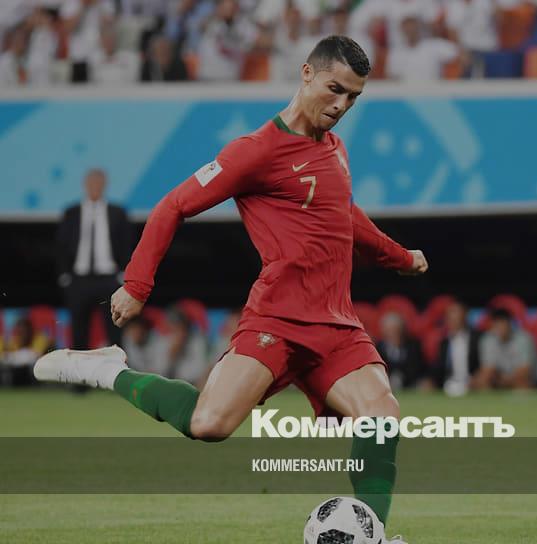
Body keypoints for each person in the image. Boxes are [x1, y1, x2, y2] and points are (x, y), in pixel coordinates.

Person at [35, 36, 426, 543]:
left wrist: (400, 257)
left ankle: (373, 534)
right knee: (209, 424)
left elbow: (344, 216)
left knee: (382, 415)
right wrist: (136, 283)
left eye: (353, 96)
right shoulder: (256, 151)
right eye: (335, 89)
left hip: (336, 324)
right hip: (278, 321)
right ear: (307, 73)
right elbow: (174, 205)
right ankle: (110, 370)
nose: (341, 105)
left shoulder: (334, 149)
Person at [56, 168, 132, 353]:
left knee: (115, 333)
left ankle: (116, 369)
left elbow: (128, 244)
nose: (95, 187)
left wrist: (123, 275)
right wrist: (65, 276)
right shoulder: (72, 212)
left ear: (105, 185)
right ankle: (78, 372)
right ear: (85, 185)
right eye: (91, 183)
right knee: (78, 334)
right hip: (79, 280)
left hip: (109, 280)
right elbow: (61, 245)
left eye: (98, 183)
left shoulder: (117, 212)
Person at [475, 308, 537, 390]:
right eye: (496, 325)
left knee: (522, 384)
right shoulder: (487, 340)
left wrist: (505, 381)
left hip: (532, 380)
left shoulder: (524, 338)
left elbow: (525, 371)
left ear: (510, 323)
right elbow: (487, 370)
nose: (500, 328)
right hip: (502, 380)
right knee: (482, 382)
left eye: (502, 324)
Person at [432, 300, 482, 396]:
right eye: (450, 315)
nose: (453, 318)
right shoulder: (444, 343)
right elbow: (438, 370)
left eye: (456, 313)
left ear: (465, 316)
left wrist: (476, 380)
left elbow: (485, 364)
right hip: (449, 386)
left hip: (473, 385)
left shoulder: (478, 338)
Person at [375, 311, 426, 390]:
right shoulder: (377, 348)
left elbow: (420, 370)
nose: (393, 334)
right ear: (384, 332)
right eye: (390, 331)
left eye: (396, 330)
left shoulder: (413, 347)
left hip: (411, 387)